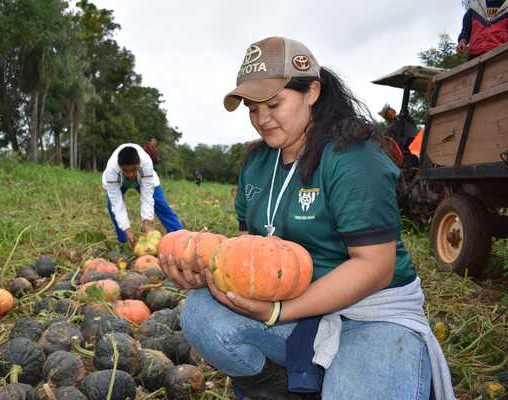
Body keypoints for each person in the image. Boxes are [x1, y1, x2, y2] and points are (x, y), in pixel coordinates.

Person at [159, 37, 455, 400]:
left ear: (312, 91)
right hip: (292, 306)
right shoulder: (257, 163)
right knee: (202, 315)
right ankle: (284, 387)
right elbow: (251, 253)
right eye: (252, 108)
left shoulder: (353, 158)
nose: (261, 119)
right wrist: (206, 268)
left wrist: (280, 312)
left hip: (369, 315)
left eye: (273, 104)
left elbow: (375, 267)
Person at [102, 143, 182, 248]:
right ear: (119, 166)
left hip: (143, 179)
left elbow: (147, 196)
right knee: (111, 206)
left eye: (133, 170)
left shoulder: (146, 163)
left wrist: (146, 221)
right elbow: (117, 204)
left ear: (139, 163)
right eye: (125, 170)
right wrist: (127, 229)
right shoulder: (111, 171)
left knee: (160, 202)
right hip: (119, 182)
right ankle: (125, 241)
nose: (130, 174)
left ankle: (179, 235)